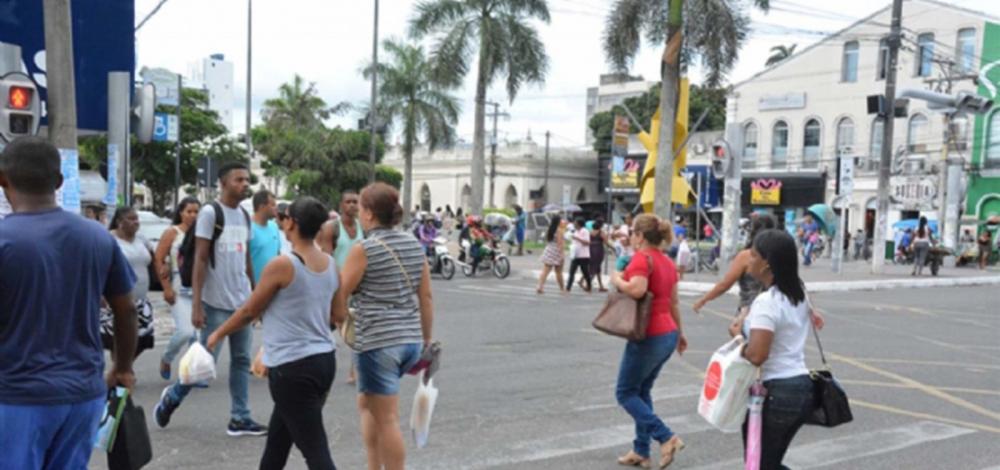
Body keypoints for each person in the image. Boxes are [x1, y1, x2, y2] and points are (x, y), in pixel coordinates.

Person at [0, 137, 138, 469]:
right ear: (59, 182)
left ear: (3, 180)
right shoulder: (97, 236)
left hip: (16, 397)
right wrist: (122, 367)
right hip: (82, 398)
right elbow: (127, 308)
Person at [208, 197, 344, 470]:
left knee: (316, 452)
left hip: (292, 367)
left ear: (291, 222)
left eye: (284, 216)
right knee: (278, 443)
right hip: (323, 361)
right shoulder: (330, 264)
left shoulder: (283, 265)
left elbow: (249, 311)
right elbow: (338, 315)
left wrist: (217, 335)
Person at [154, 161, 268, 436]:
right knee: (202, 365)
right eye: (239, 179)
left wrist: (255, 297)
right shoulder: (209, 213)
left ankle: (240, 417)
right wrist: (196, 304)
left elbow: (246, 259)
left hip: (241, 303)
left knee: (241, 361)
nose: (245, 184)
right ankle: (172, 397)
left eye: (247, 180)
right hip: (213, 303)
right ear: (224, 183)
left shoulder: (243, 215)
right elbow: (201, 259)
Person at [336, 183, 434, 470]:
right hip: (410, 340)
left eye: (361, 208)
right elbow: (426, 296)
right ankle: (373, 466)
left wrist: (341, 322)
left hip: (378, 342)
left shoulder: (364, 249)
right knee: (367, 404)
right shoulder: (414, 244)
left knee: (387, 417)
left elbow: (341, 292)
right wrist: (426, 340)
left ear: (368, 214)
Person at [609, 214, 687, 469]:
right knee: (642, 391)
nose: (630, 236)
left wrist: (617, 280)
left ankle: (666, 437)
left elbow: (638, 289)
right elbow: (674, 302)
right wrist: (681, 333)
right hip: (667, 333)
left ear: (640, 236)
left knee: (625, 392)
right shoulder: (666, 261)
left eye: (633, 232)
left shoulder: (643, 258)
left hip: (649, 334)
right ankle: (641, 451)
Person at [736, 229, 817, 469]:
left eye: (753, 255)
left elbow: (758, 355)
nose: (748, 259)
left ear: (766, 264)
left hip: (777, 392)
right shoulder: (799, 293)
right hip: (800, 388)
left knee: (759, 464)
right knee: (767, 462)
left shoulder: (767, 302)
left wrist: (738, 337)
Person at [693, 215, 779, 326]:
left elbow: (725, 284)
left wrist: (703, 299)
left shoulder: (747, 256)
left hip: (749, 311)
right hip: (776, 311)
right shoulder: (779, 254)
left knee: (745, 340)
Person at [155, 197, 202, 380]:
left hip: (200, 288)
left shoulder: (202, 233)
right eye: (189, 211)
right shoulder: (172, 233)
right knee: (185, 331)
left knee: (197, 335)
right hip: (178, 286)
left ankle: (191, 373)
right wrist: (166, 287)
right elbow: (158, 258)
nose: (192, 215)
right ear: (181, 212)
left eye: (196, 211)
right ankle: (167, 357)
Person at [104, 207, 157, 358]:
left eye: (137, 219)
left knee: (142, 338)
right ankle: (120, 370)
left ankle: (123, 367)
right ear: (120, 222)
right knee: (120, 339)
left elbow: (153, 259)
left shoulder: (142, 239)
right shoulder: (109, 239)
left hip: (141, 298)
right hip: (118, 300)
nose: (136, 222)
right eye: (131, 219)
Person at [250, 190, 282, 286]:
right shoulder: (248, 228)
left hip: (273, 288)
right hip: (253, 289)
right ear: (261, 207)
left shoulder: (274, 226)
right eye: (272, 205)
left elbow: (278, 254)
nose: (276, 208)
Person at [537, 216, 567, 294]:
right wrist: (562, 255)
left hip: (549, 250)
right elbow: (560, 244)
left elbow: (548, 240)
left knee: (545, 271)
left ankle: (540, 286)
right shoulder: (559, 230)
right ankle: (562, 289)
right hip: (556, 251)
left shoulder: (550, 229)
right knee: (559, 272)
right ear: (558, 222)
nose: (562, 222)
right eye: (561, 220)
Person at [566, 218, 592, 293]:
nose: (574, 224)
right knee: (571, 272)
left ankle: (589, 286)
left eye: (575, 222)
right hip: (575, 255)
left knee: (585, 272)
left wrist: (577, 238)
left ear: (579, 224)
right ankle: (568, 288)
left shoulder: (585, 231)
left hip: (583, 255)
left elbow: (587, 242)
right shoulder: (575, 231)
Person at [589, 218, 610, 292]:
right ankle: (588, 284)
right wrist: (613, 249)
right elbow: (606, 242)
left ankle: (601, 286)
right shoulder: (601, 232)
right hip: (598, 250)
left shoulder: (590, 232)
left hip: (591, 249)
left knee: (596, 268)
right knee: (596, 267)